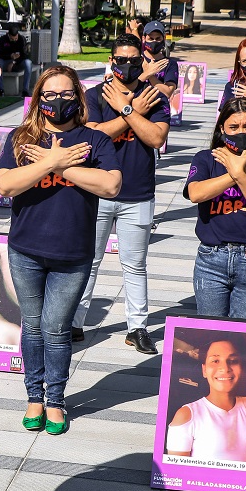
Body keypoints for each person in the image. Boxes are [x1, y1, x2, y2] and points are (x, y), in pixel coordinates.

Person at [0, 66, 122, 436]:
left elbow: (111, 185)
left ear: (78, 99)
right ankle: (34, 397)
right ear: (38, 99)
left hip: (73, 252)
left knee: (56, 328)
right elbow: (5, 184)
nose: (58, 101)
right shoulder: (22, 139)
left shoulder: (94, 141)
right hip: (26, 250)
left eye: (66, 94)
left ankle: (56, 400)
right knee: (33, 326)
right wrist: (53, 161)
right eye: (50, 94)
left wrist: (59, 167)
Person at [71, 33, 170, 354]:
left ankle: (137, 327)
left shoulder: (155, 96)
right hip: (98, 191)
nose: (126, 66)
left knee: (135, 263)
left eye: (133, 59)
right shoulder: (95, 95)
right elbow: (93, 136)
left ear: (141, 60)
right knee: (89, 259)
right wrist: (132, 114)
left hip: (138, 194)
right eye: (120, 59)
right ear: (111, 61)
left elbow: (156, 138)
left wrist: (126, 109)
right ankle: (75, 322)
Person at [183, 98, 246, 319]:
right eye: (234, 127)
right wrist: (237, 174)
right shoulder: (206, 158)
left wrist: (242, 175)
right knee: (210, 331)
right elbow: (196, 193)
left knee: (244, 337)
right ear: (222, 128)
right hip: (212, 258)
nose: (241, 132)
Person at [165, 337, 246, 464]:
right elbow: (175, 473)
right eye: (215, 361)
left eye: (233, 360)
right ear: (204, 370)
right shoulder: (186, 415)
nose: (224, 368)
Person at [140, 21, 178, 98]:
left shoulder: (170, 64)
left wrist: (150, 74)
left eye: (158, 39)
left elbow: (167, 93)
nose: (154, 42)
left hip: (160, 107)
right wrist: (148, 73)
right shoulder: (136, 59)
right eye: (151, 38)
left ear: (164, 38)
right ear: (144, 39)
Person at [0, 24, 33, 95]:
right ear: (8, 35)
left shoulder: (21, 39)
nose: (14, 40)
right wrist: (10, 56)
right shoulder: (3, 39)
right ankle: (1, 90)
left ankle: (25, 90)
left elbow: (24, 55)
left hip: (17, 62)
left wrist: (13, 62)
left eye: (15, 39)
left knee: (28, 63)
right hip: (5, 61)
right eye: (12, 39)